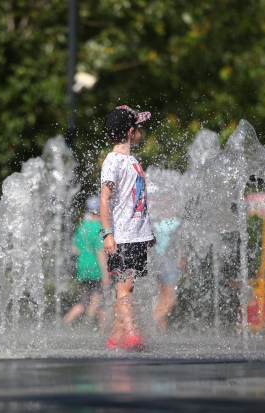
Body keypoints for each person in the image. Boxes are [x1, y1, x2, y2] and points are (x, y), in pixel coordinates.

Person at [100, 105, 155, 351]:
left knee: (128, 284)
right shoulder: (113, 161)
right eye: (139, 128)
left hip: (136, 234)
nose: (141, 132)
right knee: (126, 284)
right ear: (131, 132)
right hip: (122, 235)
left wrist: (147, 231)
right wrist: (107, 233)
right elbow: (105, 198)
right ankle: (132, 335)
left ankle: (114, 338)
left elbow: (138, 199)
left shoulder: (131, 160)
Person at [63, 196, 110, 326]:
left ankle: (66, 322)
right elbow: (101, 253)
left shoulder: (82, 227)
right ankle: (100, 330)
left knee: (85, 301)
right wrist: (106, 274)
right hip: (96, 269)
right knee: (103, 303)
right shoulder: (100, 228)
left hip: (82, 268)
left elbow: (75, 249)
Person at [151, 215, 181, 333]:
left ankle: (161, 333)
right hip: (169, 262)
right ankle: (151, 323)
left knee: (161, 298)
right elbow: (181, 243)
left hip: (153, 262)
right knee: (170, 298)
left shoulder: (153, 219)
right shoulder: (177, 222)